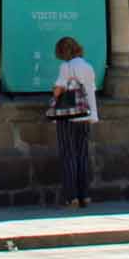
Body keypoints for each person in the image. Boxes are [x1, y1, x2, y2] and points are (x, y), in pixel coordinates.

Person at [47, 35, 99, 208]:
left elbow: (58, 89)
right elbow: (91, 90)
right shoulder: (88, 66)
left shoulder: (66, 66)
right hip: (85, 115)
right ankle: (85, 195)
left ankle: (72, 196)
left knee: (68, 155)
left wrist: (53, 90)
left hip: (68, 116)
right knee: (82, 155)